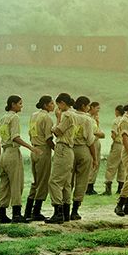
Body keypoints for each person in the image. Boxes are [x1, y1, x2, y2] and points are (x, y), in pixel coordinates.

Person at [0, 95, 40, 223]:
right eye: (20, 103)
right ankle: (16, 214)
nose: (21, 106)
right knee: (16, 183)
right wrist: (30, 147)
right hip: (12, 152)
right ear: (13, 104)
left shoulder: (3, 117)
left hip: (4, 153)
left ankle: (2, 214)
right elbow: (15, 137)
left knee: (4, 184)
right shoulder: (14, 117)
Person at [47, 93, 76, 224]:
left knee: (54, 181)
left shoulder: (67, 115)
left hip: (63, 148)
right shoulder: (73, 114)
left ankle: (58, 212)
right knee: (65, 183)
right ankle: (65, 212)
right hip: (68, 150)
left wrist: (57, 119)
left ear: (62, 103)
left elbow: (58, 131)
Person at [26, 95, 54, 222]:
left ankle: (27, 210)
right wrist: (56, 149)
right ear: (45, 105)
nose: (53, 106)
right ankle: (36, 211)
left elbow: (30, 132)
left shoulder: (33, 116)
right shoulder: (47, 117)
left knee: (35, 181)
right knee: (43, 181)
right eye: (51, 103)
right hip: (43, 150)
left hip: (34, 149)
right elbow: (48, 138)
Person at [69, 96, 96, 221]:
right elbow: (90, 140)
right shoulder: (87, 119)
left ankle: (64, 207)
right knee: (82, 180)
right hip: (83, 149)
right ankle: (75, 210)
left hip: (70, 149)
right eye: (88, 105)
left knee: (68, 180)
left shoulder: (69, 115)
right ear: (84, 106)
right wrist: (95, 158)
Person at [103, 105, 126, 196]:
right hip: (125, 145)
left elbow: (113, 134)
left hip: (117, 144)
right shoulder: (126, 121)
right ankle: (120, 188)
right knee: (122, 167)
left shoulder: (116, 121)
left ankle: (108, 188)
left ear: (117, 111)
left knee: (111, 165)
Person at [86, 101, 106, 195]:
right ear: (92, 107)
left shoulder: (94, 119)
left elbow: (99, 132)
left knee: (96, 164)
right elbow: (93, 132)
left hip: (96, 142)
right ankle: (88, 187)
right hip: (91, 142)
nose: (98, 110)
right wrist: (99, 134)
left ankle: (91, 185)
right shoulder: (87, 118)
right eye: (97, 108)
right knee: (91, 164)